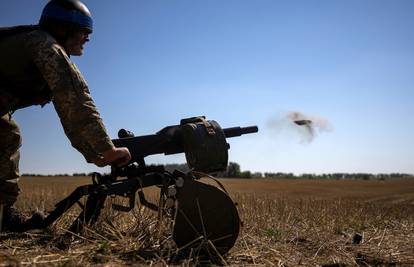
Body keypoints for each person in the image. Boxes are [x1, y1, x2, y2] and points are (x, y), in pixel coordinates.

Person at [0, 0, 131, 232]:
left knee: (6, 133)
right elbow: (76, 101)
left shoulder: (35, 43)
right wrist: (106, 150)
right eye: (84, 31)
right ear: (63, 29)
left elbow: (68, 109)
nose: (87, 38)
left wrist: (94, 154)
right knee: (8, 134)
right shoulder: (45, 46)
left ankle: (3, 215)